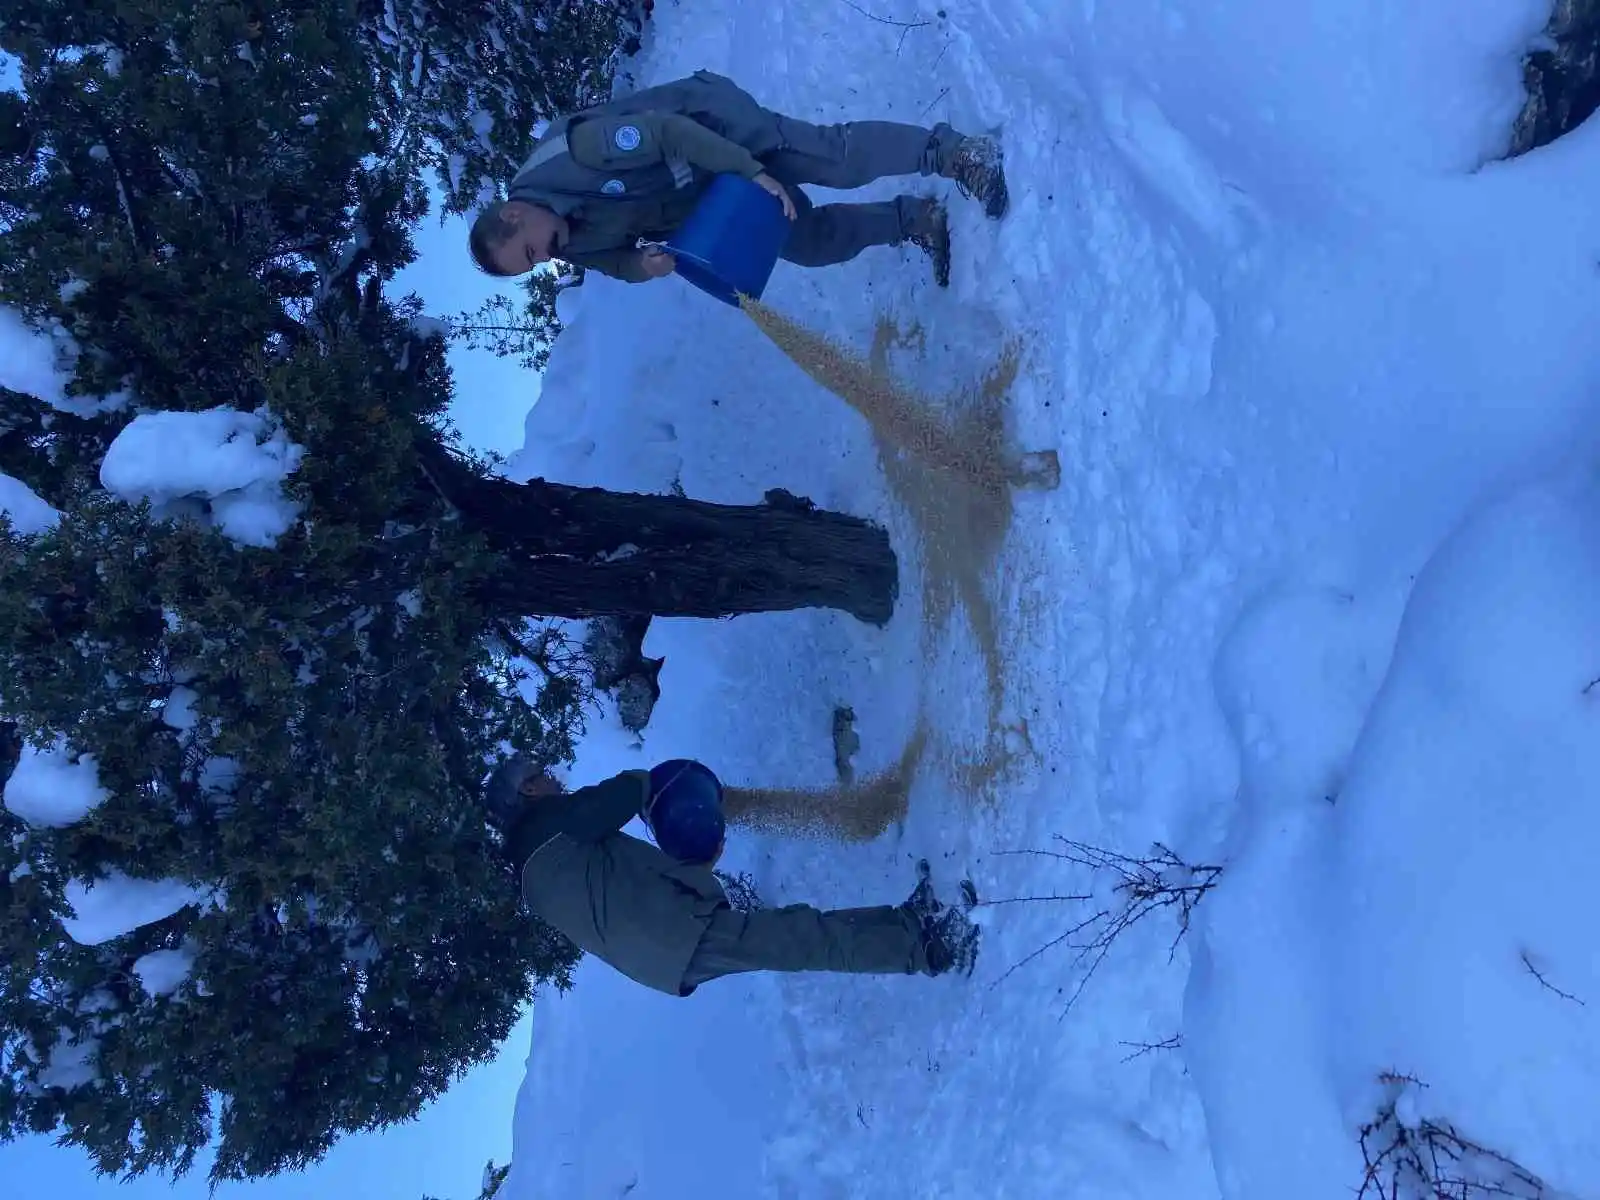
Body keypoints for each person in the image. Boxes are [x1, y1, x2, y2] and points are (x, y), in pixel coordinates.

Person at [483, 755, 980, 997]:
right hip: (673, 937)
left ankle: (907, 923)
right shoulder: (549, 825)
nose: (553, 776)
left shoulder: (539, 871)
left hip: (664, 947)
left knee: (799, 931)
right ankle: (926, 947)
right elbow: (616, 799)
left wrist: (693, 875)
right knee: (801, 939)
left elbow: (620, 890)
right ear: (528, 792)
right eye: (541, 772)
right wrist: (651, 783)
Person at [467, 69, 1009, 289]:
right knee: (809, 242)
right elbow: (612, 261)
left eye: (531, 252)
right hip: (709, 196)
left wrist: (752, 171)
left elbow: (669, 132)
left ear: (514, 215)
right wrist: (641, 265)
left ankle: (955, 153)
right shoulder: (565, 236)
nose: (546, 258)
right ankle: (916, 219)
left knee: (829, 160)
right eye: (534, 264)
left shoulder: (573, 155)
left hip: (713, 127)